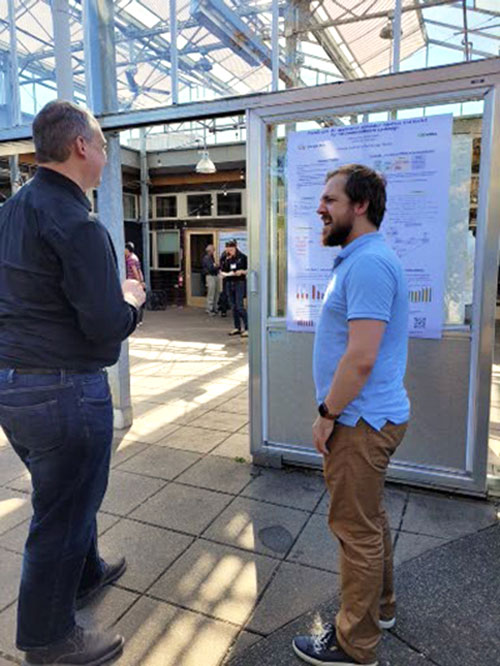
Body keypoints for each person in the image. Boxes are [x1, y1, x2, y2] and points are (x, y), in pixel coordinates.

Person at [0, 100, 146, 666]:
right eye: (104, 143)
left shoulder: (10, 213)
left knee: (65, 494)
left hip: (14, 388)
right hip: (64, 391)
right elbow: (106, 328)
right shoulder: (78, 224)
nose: (107, 154)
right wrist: (131, 300)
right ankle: (48, 639)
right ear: (81, 146)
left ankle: (86, 572)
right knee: (59, 515)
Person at [293, 165, 410, 666]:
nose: (320, 207)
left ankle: (353, 644)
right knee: (370, 521)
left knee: (354, 530)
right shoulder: (361, 259)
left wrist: (327, 414)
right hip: (368, 417)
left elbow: (360, 356)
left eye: (330, 200)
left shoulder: (367, 265)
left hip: (358, 422)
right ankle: (380, 609)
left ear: (359, 205)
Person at [220, 240, 248, 337]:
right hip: (229, 282)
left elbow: (249, 269)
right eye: (228, 250)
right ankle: (237, 327)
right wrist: (223, 274)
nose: (229, 252)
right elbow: (222, 269)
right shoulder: (225, 257)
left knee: (240, 306)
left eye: (231, 250)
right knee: (233, 306)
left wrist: (242, 272)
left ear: (235, 247)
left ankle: (247, 328)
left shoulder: (242, 257)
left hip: (239, 282)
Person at [125, 241, 146, 324]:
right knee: (138, 301)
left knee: (133, 301)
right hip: (136, 282)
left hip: (132, 282)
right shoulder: (135, 257)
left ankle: (136, 320)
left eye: (125, 249)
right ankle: (139, 320)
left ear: (127, 250)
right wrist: (141, 280)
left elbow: (135, 271)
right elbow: (139, 270)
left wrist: (138, 282)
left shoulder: (130, 259)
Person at [202, 243, 219, 315]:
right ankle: (209, 309)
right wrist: (216, 266)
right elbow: (211, 268)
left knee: (216, 293)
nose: (214, 251)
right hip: (210, 276)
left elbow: (213, 267)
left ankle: (215, 308)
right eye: (213, 250)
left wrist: (216, 266)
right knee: (211, 293)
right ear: (210, 250)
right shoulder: (207, 258)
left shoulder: (211, 257)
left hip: (214, 276)